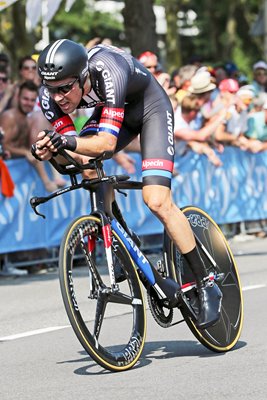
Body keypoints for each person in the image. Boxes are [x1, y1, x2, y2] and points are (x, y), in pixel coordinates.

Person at [32, 39, 222, 329]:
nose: (57, 97)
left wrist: (66, 142)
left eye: (65, 88)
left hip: (150, 109)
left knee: (157, 200)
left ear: (84, 77)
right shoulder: (50, 97)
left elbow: (106, 143)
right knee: (86, 167)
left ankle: (207, 282)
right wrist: (47, 151)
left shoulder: (107, 70)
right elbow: (72, 154)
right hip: (115, 113)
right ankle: (123, 237)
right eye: (51, 89)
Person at [0, 81, 58, 192]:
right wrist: (25, 152)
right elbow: (3, 146)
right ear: (17, 98)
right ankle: (47, 181)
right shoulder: (10, 117)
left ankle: (56, 176)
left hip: (19, 171)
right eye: (25, 99)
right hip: (10, 170)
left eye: (32, 100)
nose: (28, 103)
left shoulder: (26, 119)